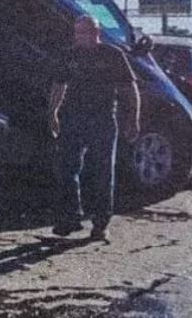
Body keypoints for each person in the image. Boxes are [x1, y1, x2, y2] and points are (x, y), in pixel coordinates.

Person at [48, 15, 140, 240]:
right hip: (73, 119)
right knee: (67, 169)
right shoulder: (70, 55)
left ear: (96, 32)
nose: (81, 36)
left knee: (102, 172)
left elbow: (130, 90)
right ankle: (70, 217)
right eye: (78, 32)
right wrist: (52, 112)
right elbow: (59, 84)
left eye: (86, 32)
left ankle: (100, 224)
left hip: (102, 120)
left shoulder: (112, 55)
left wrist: (133, 119)